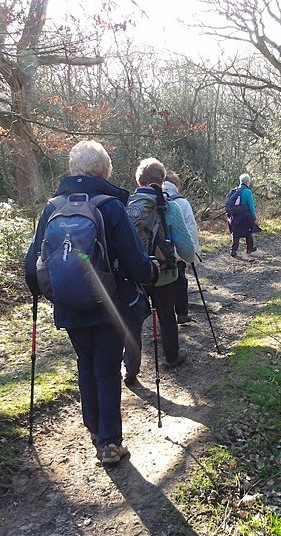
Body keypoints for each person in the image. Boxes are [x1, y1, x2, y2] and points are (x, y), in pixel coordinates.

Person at [24, 140, 159, 466]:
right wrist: (152, 270)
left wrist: (43, 291)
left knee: (86, 363)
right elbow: (135, 262)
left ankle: (95, 431)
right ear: (104, 170)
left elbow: (32, 264)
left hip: (68, 304)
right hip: (109, 304)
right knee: (107, 369)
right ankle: (110, 443)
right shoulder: (111, 206)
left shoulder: (51, 207)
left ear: (73, 169)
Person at [125, 158, 196, 377]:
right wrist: (186, 257)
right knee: (166, 315)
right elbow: (186, 249)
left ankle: (131, 368)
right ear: (162, 180)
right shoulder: (169, 206)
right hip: (164, 273)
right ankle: (172, 356)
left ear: (138, 180)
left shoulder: (125, 205)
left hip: (134, 273)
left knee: (132, 320)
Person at [163, 170, 200, 325]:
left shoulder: (149, 200)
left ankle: (165, 316)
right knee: (180, 281)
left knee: (163, 287)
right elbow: (191, 230)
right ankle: (182, 313)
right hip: (178, 251)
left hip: (157, 252)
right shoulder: (182, 203)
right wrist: (193, 256)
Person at [229, 173, 260, 257]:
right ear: (248, 182)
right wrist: (254, 216)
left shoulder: (235, 191)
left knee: (236, 233)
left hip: (235, 216)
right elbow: (251, 205)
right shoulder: (247, 192)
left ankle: (233, 250)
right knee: (248, 231)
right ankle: (249, 248)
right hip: (245, 215)